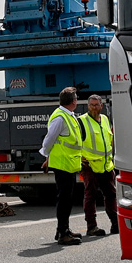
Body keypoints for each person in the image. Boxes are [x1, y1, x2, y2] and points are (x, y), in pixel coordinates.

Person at [38, 86, 85, 246]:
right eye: (76, 98)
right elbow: (49, 140)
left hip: (68, 164)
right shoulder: (60, 117)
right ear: (73, 101)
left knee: (67, 199)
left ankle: (63, 230)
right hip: (63, 164)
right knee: (64, 200)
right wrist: (46, 156)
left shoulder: (68, 115)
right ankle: (63, 232)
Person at [78, 95, 117, 236]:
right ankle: (91, 226)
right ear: (88, 106)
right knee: (91, 196)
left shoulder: (105, 119)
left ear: (101, 106)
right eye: (91, 105)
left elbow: (110, 139)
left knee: (111, 195)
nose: (94, 107)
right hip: (90, 166)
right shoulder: (81, 121)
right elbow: (75, 142)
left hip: (106, 166)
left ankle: (115, 223)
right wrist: (80, 158)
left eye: (96, 105)